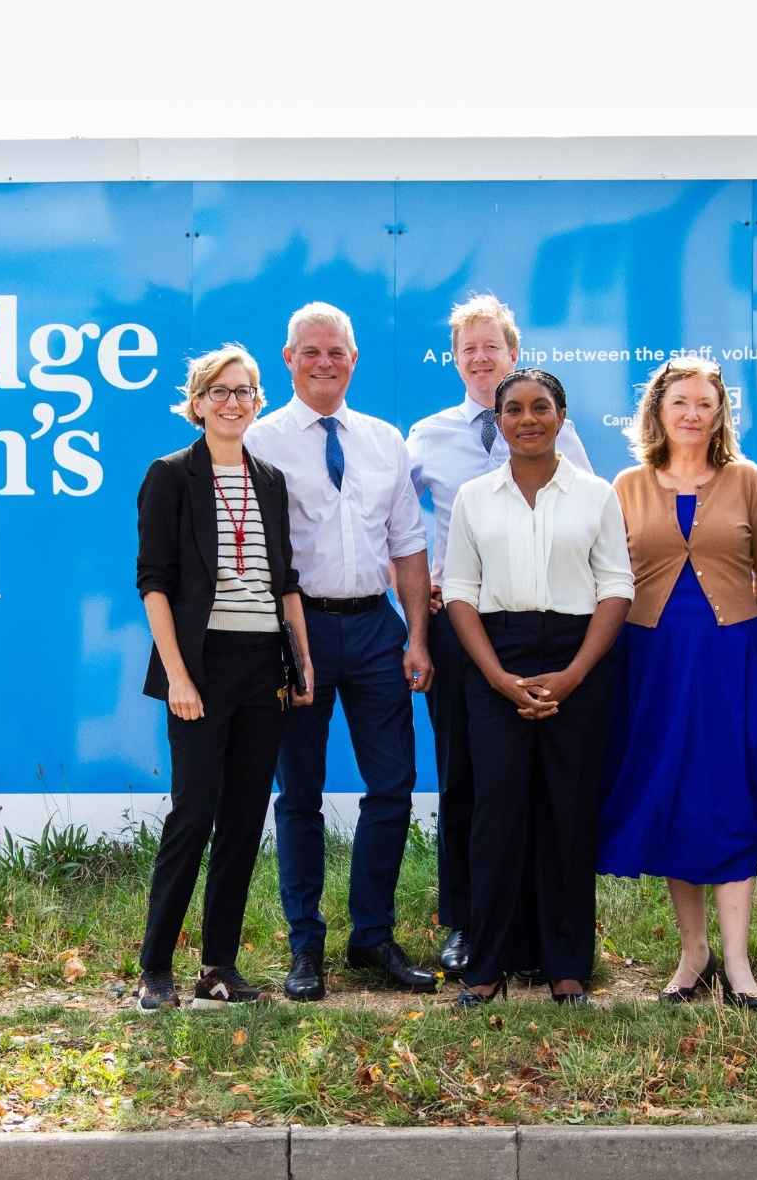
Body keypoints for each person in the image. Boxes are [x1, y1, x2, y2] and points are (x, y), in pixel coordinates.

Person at [243, 302, 437, 1001]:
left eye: (337, 351)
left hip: (376, 629)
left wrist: (416, 634)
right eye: (311, 351)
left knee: (392, 786)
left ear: (354, 360)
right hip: (299, 633)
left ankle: (372, 937)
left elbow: (409, 546)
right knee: (299, 795)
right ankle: (305, 948)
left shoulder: (386, 441)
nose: (325, 361)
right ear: (288, 360)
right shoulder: (260, 442)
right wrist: (281, 644)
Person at [598, 356, 757, 1010]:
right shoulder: (627, 485)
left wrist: (737, 634)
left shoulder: (746, 481)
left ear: (719, 415)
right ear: (657, 410)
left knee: (730, 793)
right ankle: (694, 956)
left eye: (704, 404)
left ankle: (739, 965)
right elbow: (610, 577)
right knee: (673, 798)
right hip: (651, 665)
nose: (691, 413)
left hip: (729, 662)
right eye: (679, 401)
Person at [405, 294, 595, 974]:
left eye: (492, 347)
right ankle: (466, 924)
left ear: (514, 353)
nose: (481, 358)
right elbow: (394, 524)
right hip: (460, 624)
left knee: (540, 784)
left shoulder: (554, 427)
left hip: (538, 628)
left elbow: (586, 518)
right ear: (454, 359)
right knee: (465, 782)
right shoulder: (425, 436)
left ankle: (541, 935)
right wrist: (423, 576)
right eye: (468, 349)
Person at [442, 369, 634, 1007]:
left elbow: (615, 588)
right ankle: (487, 965)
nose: (528, 418)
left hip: (578, 660)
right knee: (495, 817)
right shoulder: (474, 497)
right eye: (515, 409)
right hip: (496, 658)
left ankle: (566, 965)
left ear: (561, 416)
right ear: (498, 421)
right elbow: (461, 593)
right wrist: (497, 676)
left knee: (567, 813)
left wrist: (575, 673)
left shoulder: (595, 494)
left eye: (541, 407)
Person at [132, 344, 315, 1013]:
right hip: (200, 669)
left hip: (261, 666)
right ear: (198, 402)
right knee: (193, 817)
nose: (233, 402)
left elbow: (284, 580)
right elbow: (154, 583)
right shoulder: (171, 475)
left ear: (258, 401)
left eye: (245, 391)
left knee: (243, 821)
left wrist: (301, 658)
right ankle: (155, 967)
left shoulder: (269, 479)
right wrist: (178, 676)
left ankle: (219, 966)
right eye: (220, 391)